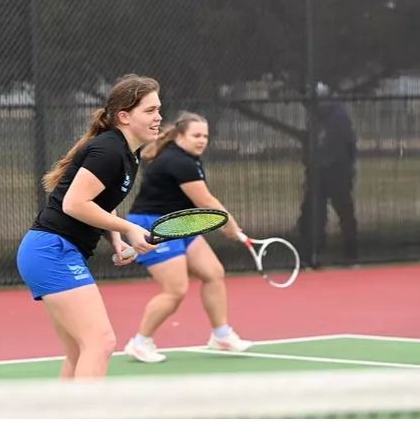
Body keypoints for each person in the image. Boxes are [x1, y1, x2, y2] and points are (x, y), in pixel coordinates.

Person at [17, 74, 163, 379]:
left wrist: (116, 239)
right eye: (150, 110)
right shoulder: (109, 150)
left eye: (158, 110)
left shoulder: (128, 153)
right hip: (52, 250)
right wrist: (128, 228)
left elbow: (102, 200)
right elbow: (74, 203)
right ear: (124, 116)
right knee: (100, 342)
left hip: (51, 250)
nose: (158, 117)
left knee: (79, 351)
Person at [122, 111, 252, 364]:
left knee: (213, 273)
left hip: (179, 222)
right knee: (176, 290)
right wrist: (230, 226)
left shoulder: (189, 159)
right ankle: (140, 342)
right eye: (196, 135)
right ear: (180, 135)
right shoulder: (178, 161)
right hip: (154, 226)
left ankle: (221, 335)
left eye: (205, 136)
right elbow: (206, 201)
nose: (202, 140)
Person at [297, 81, 358, 266]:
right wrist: (311, 166)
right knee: (313, 215)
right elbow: (311, 144)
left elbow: (344, 147)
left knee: (345, 213)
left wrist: (341, 169)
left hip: (337, 173)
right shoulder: (315, 117)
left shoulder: (339, 116)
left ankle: (352, 255)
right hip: (319, 175)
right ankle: (313, 255)